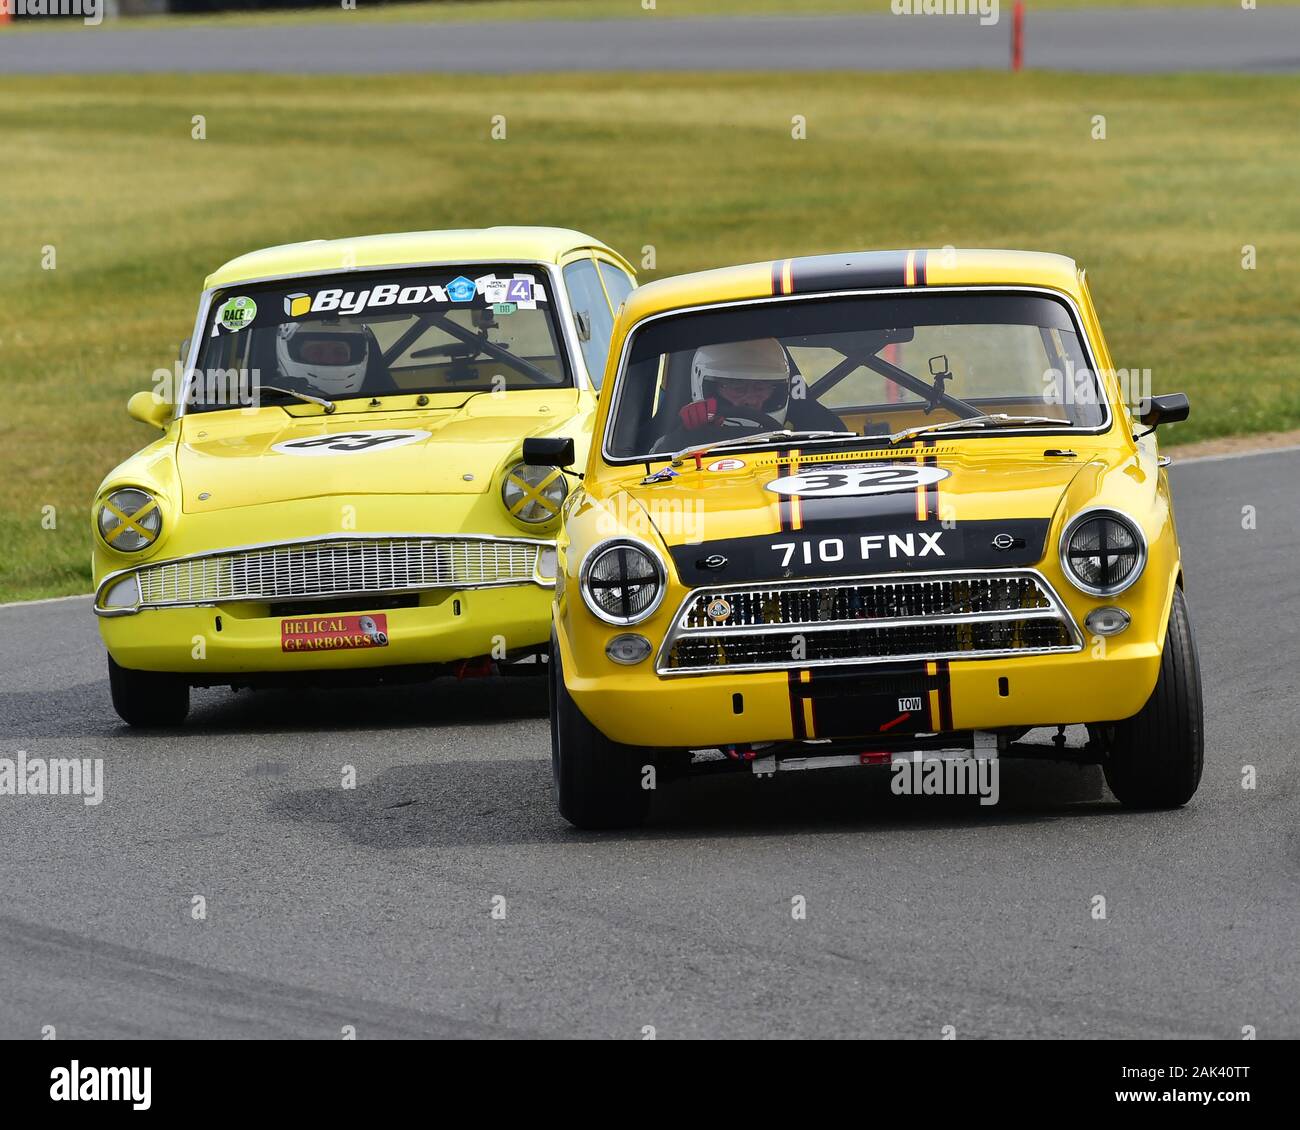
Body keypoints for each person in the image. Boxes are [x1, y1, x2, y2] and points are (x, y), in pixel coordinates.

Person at [652, 337, 848, 453]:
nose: (751, 400)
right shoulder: (679, 438)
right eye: (737, 388)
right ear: (709, 388)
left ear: (779, 389)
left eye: (761, 388)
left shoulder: (817, 427)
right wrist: (688, 435)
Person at [273, 321, 372, 398]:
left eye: (339, 353)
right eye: (316, 352)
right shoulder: (260, 404)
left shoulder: (383, 402)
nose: (329, 360)